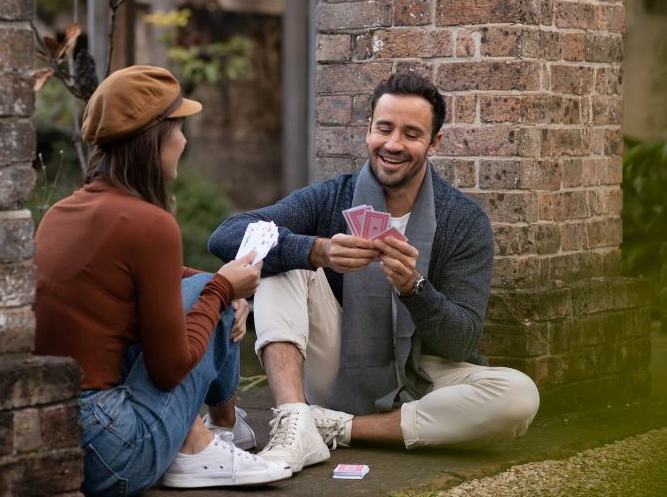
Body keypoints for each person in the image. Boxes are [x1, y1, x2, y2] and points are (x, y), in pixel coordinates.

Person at [208, 70, 540, 473]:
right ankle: (295, 420)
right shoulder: (332, 197)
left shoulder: (463, 220)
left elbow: (461, 340)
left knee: (518, 396)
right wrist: (318, 250)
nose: (393, 144)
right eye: (384, 128)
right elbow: (226, 236)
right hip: (336, 359)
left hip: (419, 369)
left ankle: (336, 427)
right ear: (368, 130)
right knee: (280, 257)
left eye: (411, 134)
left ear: (434, 143)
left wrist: (415, 288)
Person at [33, 66, 292, 495]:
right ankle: (206, 441)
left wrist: (215, 282)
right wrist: (223, 289)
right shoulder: (150, 224)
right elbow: (169, 367)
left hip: (60, 439)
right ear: (154, 137)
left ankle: (215, 433)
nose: (184, 141)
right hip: (117, 450)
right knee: (212, 293)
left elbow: (140, 279)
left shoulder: (61, 213)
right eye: (179, 129)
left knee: (205, 285)